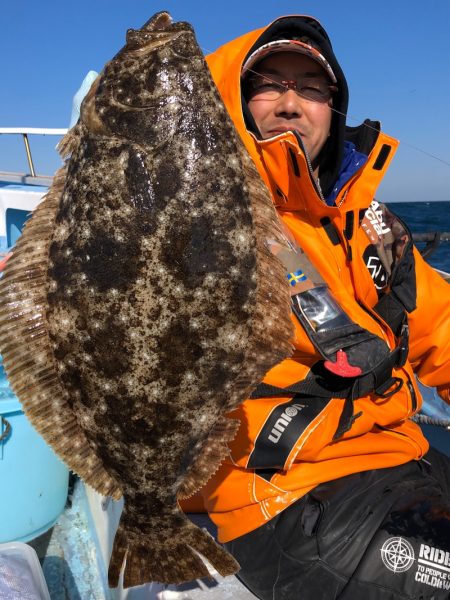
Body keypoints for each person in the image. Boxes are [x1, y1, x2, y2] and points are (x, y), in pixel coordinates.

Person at [192, 14, 450, 599]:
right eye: (269, 83)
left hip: (402, 454)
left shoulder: (371, 223)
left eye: (311, 87)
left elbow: (440, 326)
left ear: (333, 107)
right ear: (232, 99)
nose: (290, 102)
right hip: (279, 492)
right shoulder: (194, 222)